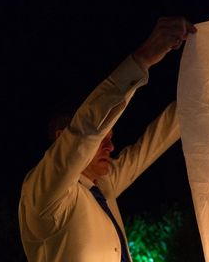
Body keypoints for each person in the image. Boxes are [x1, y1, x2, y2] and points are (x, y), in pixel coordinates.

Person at [18, 16, 196, 262]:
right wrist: (142, 60)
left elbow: (153, 142)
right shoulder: (46, 197)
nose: (111, 146)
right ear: (61, 139)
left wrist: (200, 91)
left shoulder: (103, 187)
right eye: (103, 139)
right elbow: (87, 129)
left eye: (110, 137)